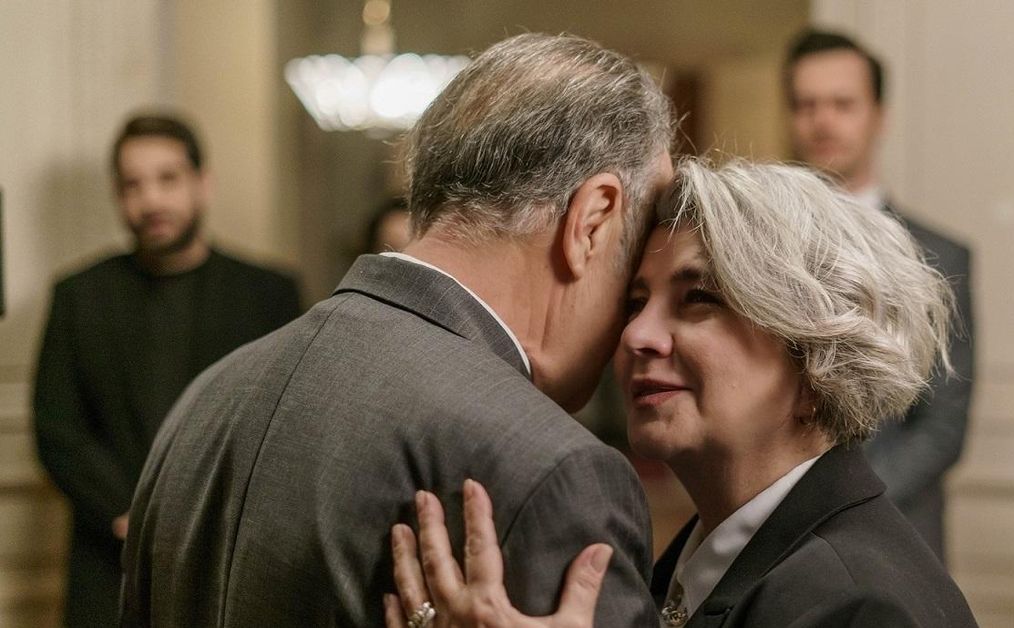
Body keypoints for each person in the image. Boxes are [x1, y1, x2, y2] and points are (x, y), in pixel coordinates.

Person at [119, 33, 675, 627]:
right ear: (592, 222)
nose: (637, 320)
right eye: (640, 250)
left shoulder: (205, 399)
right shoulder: (555, 471)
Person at [388, 160, 979, 627]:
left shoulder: (857, 604)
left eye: (699, 299)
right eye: (637, 302)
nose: (636, 335)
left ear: (818, 359)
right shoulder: (707, 554)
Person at [33, 113, 301, 628]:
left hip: (232, 559)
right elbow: (57, 429)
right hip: (108, 564)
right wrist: (124, 515)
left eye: (167, 178)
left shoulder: (268, 294)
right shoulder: (79, 296)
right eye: (132, 185)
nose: (151, 200)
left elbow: (288, 424)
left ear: (203, 183)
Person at [784, 29, 975, 559]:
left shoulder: (940, 257)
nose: (823, 121)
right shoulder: (758, 248)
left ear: (879, 117)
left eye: (842, 104)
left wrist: (842, 503)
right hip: (773, 532)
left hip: (897, 532)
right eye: (806, 105)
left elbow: (943, 425)